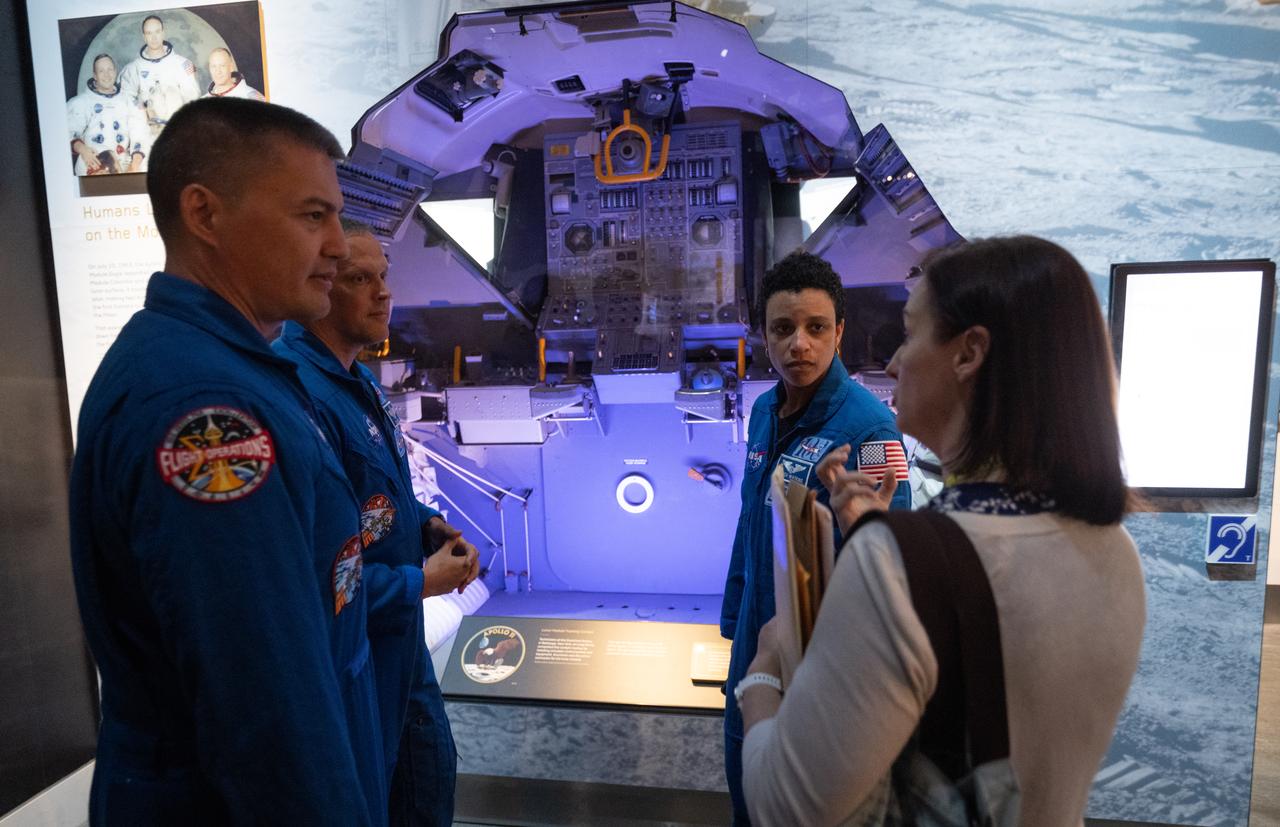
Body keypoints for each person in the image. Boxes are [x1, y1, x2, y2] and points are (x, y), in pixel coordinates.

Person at [738, 236, 1146, 826]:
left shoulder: (900, 558)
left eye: (911, 332)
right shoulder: (1114, 546)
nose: (897, 361)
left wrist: (762, 671)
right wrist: (883, 536)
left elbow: (784, 805)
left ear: (968, 353)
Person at [69, 97, 387, 825]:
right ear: (205, 215)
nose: (339, 246)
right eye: (313, 216)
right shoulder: (207, 410)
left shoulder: (244, 369)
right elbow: (270, 709)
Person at [274, 219, 480, 826]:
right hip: (354, 659)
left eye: (383, 277)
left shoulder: (359, 381)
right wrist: (423, 581)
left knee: (425, 787)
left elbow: (375, 497)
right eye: (361, 279)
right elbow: (317, 573)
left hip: (398, 648)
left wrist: (427, 525)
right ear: (318, 287)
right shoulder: (299, 391)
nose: (384, 293)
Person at [720, 250, 911, 825]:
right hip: (754, 648)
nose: (799, 344)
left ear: (839, 332)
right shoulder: (761, 413)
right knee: (746, 801)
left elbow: (890, 541)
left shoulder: (874, 428)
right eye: (783, 329)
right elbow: (749, 520)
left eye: (815, 328)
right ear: (763, 336)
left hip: (822, 666)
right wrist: (734, 620)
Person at [118, 14, 201, 137]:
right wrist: (144, 110)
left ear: (163, 33)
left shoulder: (181, 63)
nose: (154, 37)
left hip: (177, 129)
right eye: (149, 33)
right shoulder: (133, 68)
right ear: (144, 37)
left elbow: (193, 97)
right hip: (147, 131)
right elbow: (125, 101)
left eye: (157, 32)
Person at [66, 53, 149, 174]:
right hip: (93, 163)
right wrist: (83, 150)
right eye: (101, 71)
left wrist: (135, 164)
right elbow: (67, 132)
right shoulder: (82, 102)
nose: (107, 75)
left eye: (110, 69)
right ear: (95, 75)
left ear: (115, 71)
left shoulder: (128, 101)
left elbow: (140, 133)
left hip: (122, 164)